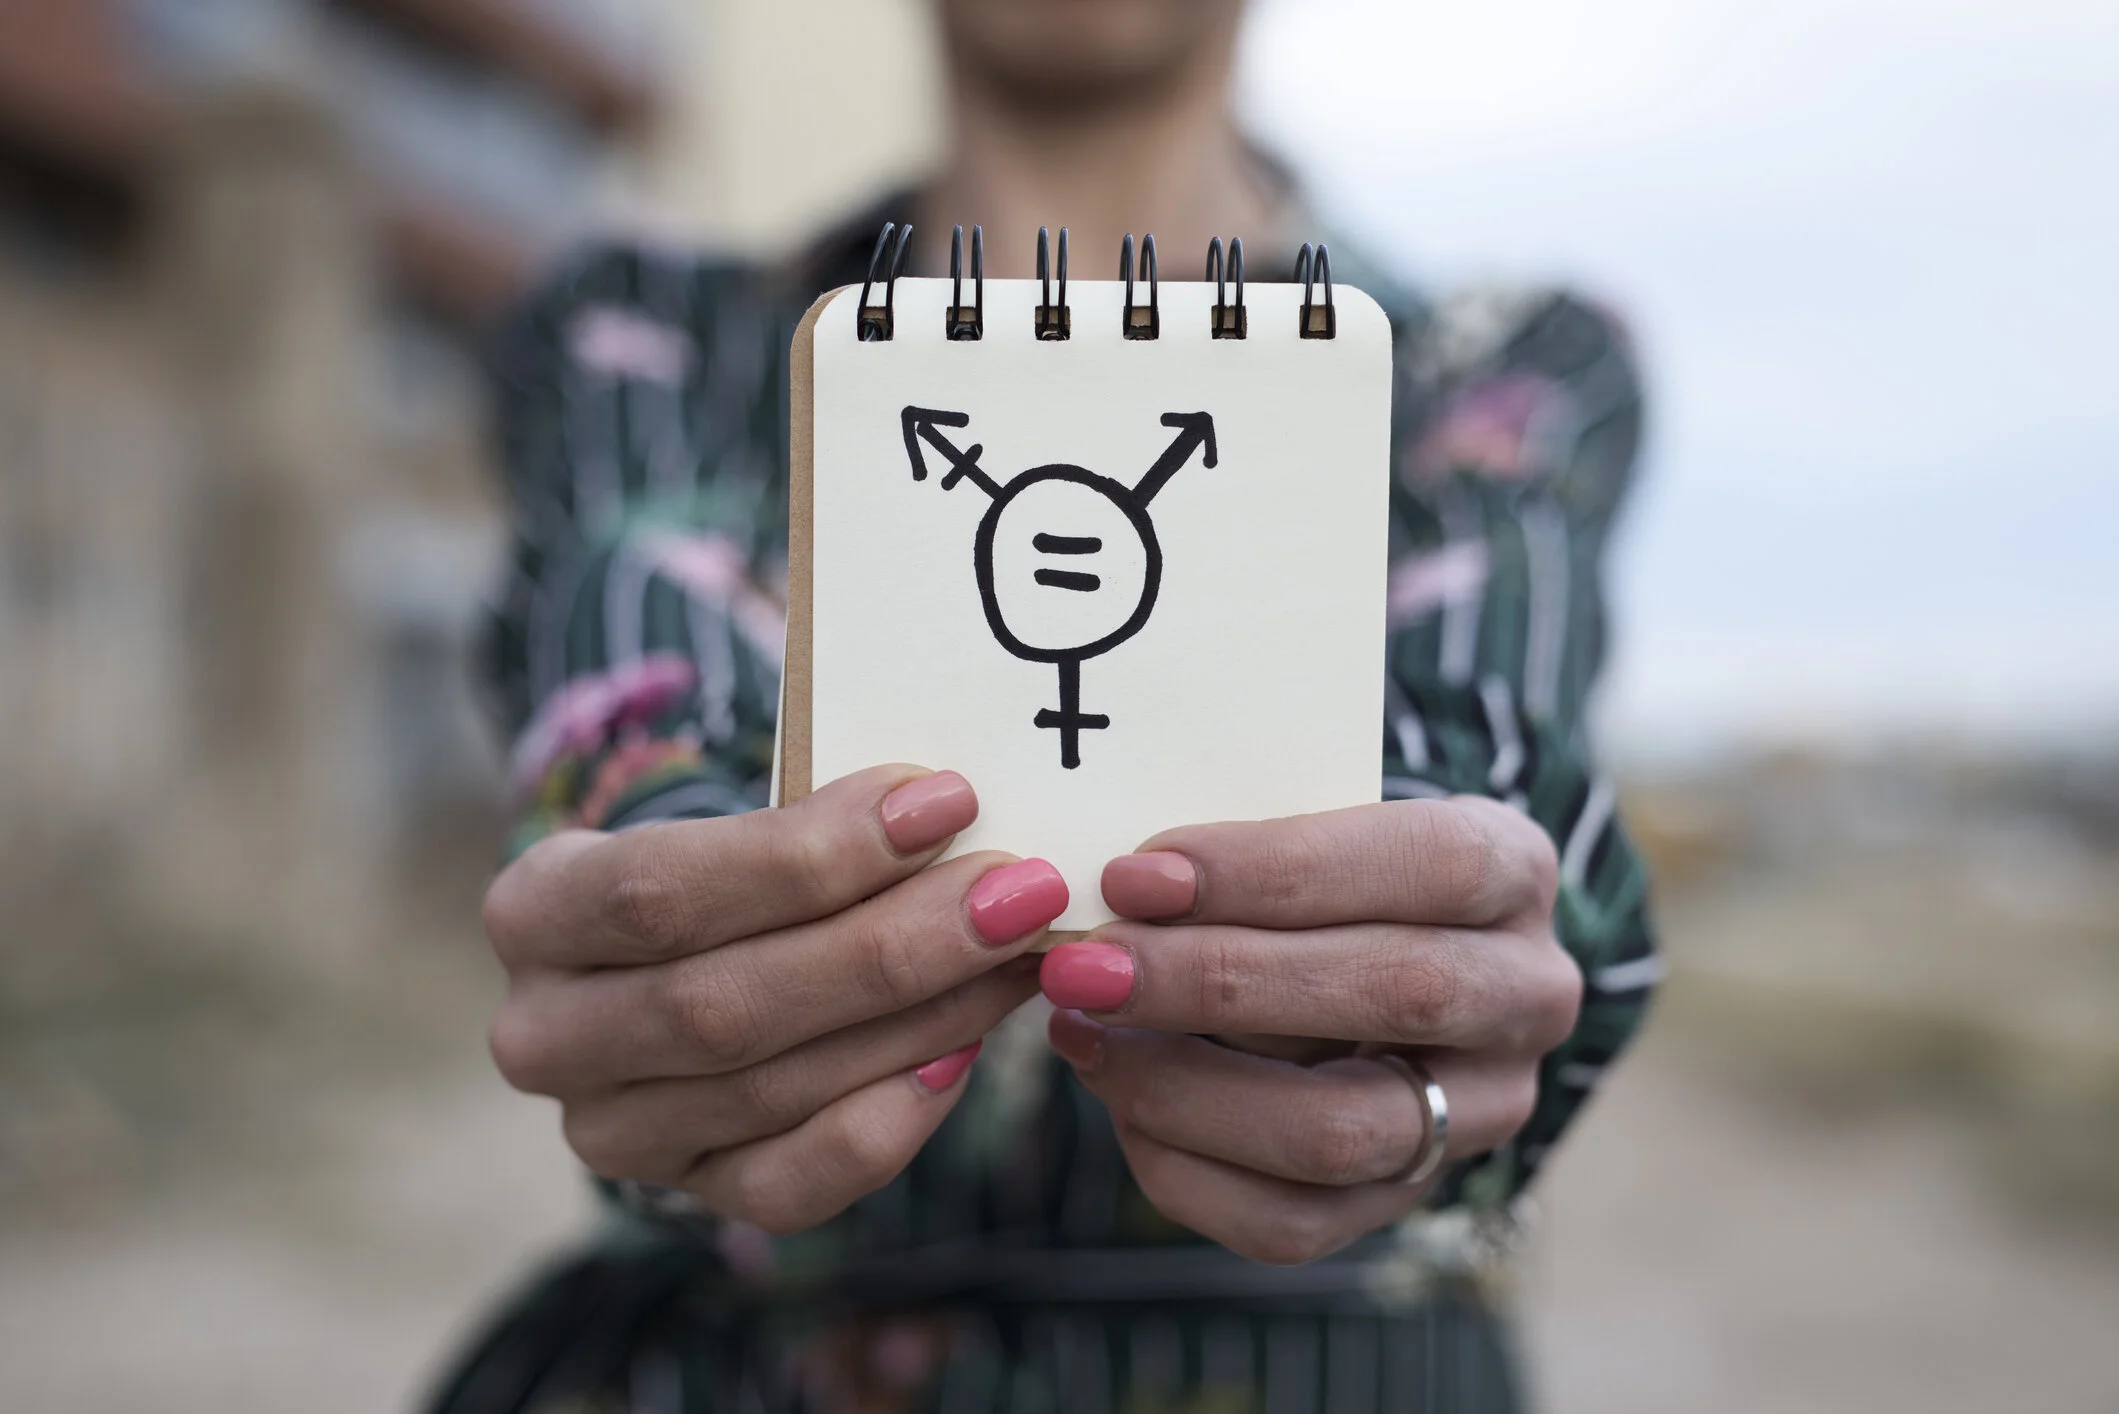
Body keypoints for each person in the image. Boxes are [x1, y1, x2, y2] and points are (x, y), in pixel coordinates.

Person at [437, 1, 1656, 1410]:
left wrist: (1463, 967)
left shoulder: (1498, 368)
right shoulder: (642, 339)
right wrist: (675, 927)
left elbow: (1506, 762)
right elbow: (634, 714)